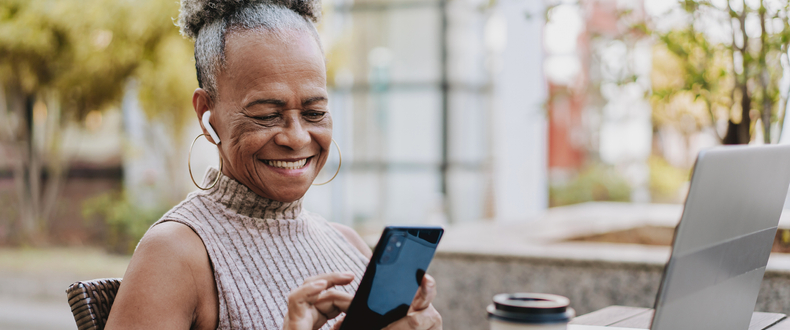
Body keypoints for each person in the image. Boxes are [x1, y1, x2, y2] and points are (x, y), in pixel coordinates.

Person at [104, 0, 442, 329]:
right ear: (206, 113)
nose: (296, 137)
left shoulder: (346, 243)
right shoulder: (175, 253)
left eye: (314, 112)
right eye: (267, 115)